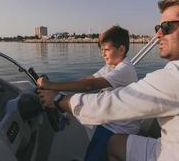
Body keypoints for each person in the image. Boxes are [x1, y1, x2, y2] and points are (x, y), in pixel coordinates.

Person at [38, 0, 179, 161]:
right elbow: (91, 80)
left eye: (167, 27)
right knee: (117, 143)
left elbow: (112, 104)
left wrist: (59, 100)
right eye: (158, 28)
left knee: (112, 143)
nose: (157, 35)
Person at [37, 25, 142, 161]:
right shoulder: (111, 65)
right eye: (102, 50)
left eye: (106, 50)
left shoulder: (124, 69)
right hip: (109, 123)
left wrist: (50, 85)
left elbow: (89, 86)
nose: (102, 54)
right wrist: (57, 89)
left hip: (119, 130)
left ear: (121, 49)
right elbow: (89, 79)